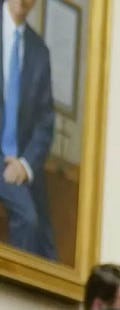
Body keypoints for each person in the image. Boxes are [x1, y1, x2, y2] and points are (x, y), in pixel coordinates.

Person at [0, 0, 55, 259]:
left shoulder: (39, 51)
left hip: (15, 166)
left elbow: (45, 122)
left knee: (35, 229)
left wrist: (24, 164)